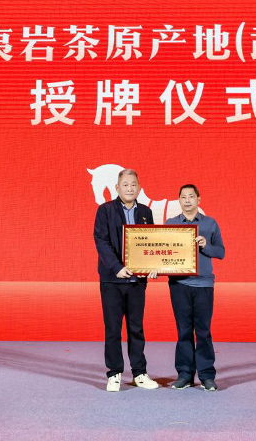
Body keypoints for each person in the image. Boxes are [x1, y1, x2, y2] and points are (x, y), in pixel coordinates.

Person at [93, 168, 159, 392]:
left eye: (133, 185)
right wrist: (117, 267)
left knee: (136, 328)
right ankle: (114, 374)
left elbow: (151, 242)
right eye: (125, 185)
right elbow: (101, 241)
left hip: (137, 282)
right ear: (117, 188)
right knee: (113, 329)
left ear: (139, 188)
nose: (130, 188)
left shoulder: (145, 212)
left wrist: (152, 266)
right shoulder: (105, 210)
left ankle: (139, 373)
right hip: (112, 280)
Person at [164, 184, 225, 391]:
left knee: (203, 331)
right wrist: (153, 268)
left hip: (204, 285)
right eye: (184, 197)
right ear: (179, 201)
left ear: (198, 200)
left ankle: (207, 375)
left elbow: (221, 252)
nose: (188, 200)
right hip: (179, 284)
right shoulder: (171, 224)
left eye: (191, 196)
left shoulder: (210, 223)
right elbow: (163, 251)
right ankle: (185, 375)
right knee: (183, 331)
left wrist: (206, 246)